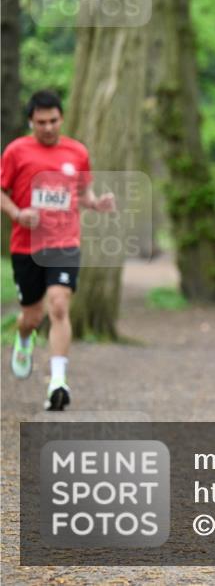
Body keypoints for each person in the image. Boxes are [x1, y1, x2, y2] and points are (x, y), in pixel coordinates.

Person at [1, 90, 116, 410]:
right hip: (26, 245)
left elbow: (82, 193)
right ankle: (25, 337)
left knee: (60, 305)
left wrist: (96, 203)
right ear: (30, 122)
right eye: (41, 122)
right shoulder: (16, 151)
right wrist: (17, 213)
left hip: (64, 241)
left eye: (53, 121)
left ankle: (57, 381)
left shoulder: (77, 152)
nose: (48, 128)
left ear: (61, 118)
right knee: (32, 316)